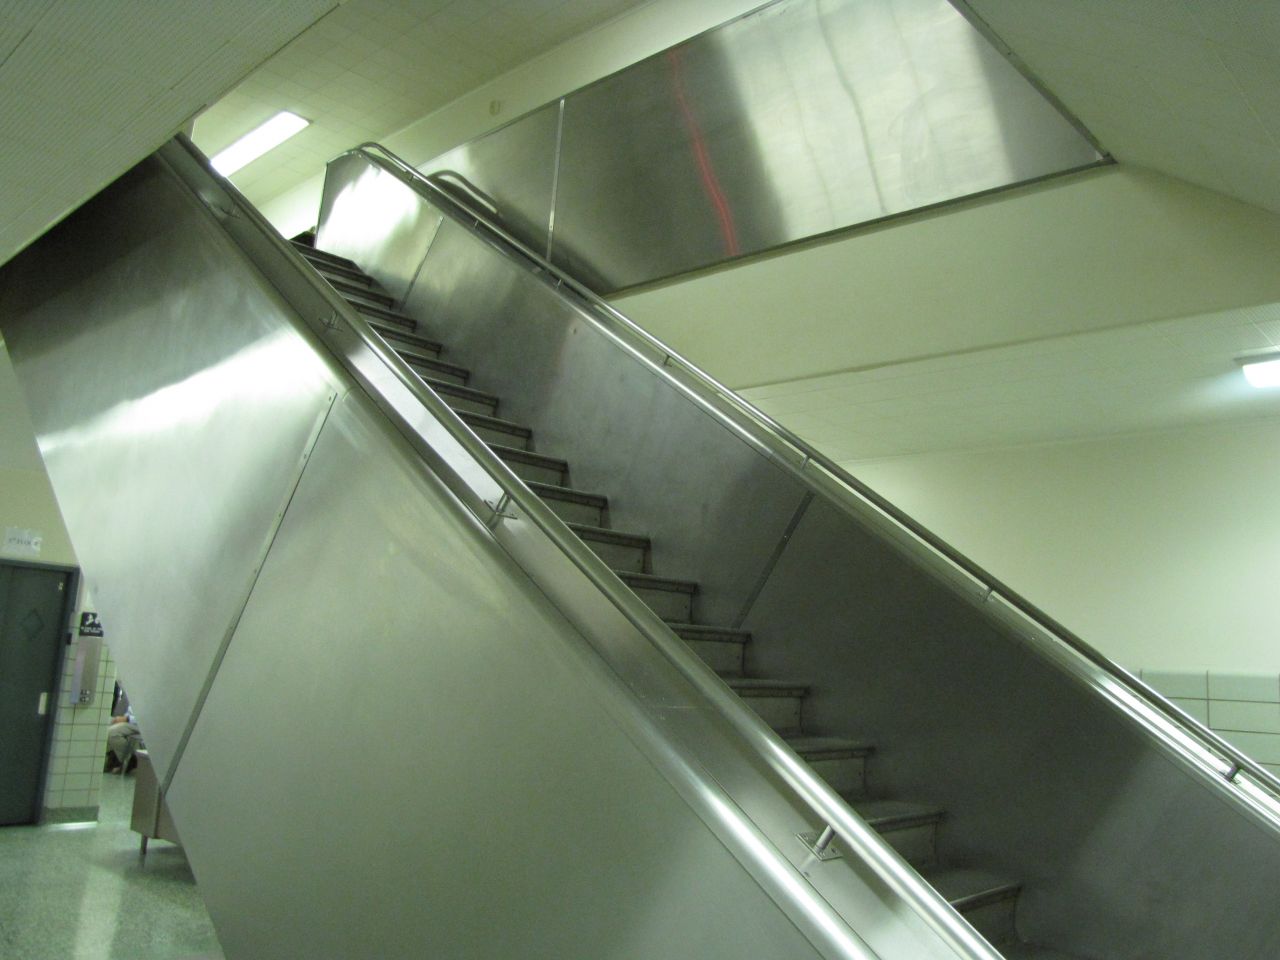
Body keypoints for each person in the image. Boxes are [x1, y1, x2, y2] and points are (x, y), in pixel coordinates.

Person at [105, 690, 143, 774]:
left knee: (111, 732)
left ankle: (131, 759)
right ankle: (111, 759)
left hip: (140, 724)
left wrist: (127, 719)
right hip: (128, 720)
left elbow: (147, 717)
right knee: (101, 724)